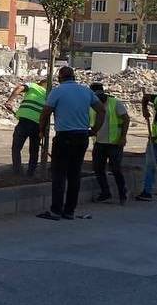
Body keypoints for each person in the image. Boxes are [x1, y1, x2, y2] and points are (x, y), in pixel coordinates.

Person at [36, 66, 105, 221]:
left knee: (59, 174)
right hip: (82, 137)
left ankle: (55, 211)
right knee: (74, 175)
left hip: (64, 137)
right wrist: (94, 130)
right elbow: (101, 110)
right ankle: (69, 211)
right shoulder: (86, 91)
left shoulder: (57, 91)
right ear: (74, 77)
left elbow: (46, 112)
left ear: (60, 78)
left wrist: (41, 130)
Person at [89, 83, 130, 204]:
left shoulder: (115, 103)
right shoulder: (91, 105)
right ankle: (105, 193)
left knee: (116, 168)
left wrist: (123, 137)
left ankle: (123, 193)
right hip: (99, 142)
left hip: (114, 143)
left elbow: (126, 119)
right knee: (98, 168)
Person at [4, 79, 48, 176]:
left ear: (39, 83)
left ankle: (17, 171)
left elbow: (19, 88)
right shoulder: (49, 94)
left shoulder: (33, 86)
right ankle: (31, 173)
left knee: (16, 148)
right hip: (38, 125)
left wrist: (10, 101)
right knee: (34, 150)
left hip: (24, 122)